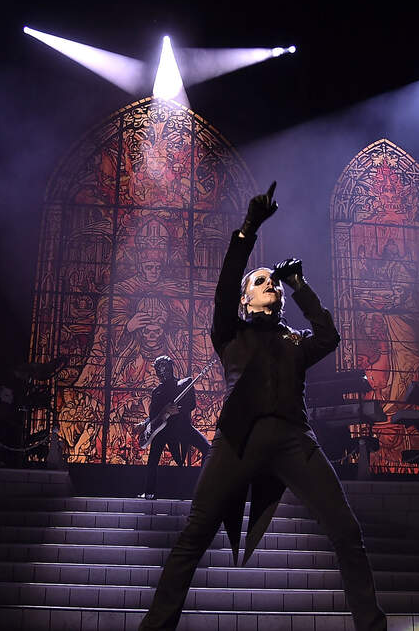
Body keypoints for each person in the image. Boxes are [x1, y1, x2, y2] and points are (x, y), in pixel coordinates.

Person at [139, 182, 386, 630]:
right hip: (238, 439)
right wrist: (248, 228)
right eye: (260, 280)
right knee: (195, 533)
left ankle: (371, 625)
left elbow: (329, 336)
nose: (269, 282)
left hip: (295, 440)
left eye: (274, 280)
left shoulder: (296, 341)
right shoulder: (230, 333)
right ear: (245, 299)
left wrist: (301, 286)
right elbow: (223, 286)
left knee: (347, 532)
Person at [138, 355, 212, 500]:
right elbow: (153, 416)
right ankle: (149, 492)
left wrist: (178, 409)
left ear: (170, 368)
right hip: (162, 430)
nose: (161, 372)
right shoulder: (156, 392)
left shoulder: (185, 383)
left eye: (164, 368)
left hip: (182, 427)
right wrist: (162, 412)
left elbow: (191, 404)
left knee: (207, 449)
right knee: (153, 459)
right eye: (158, 369)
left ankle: (202, 489)